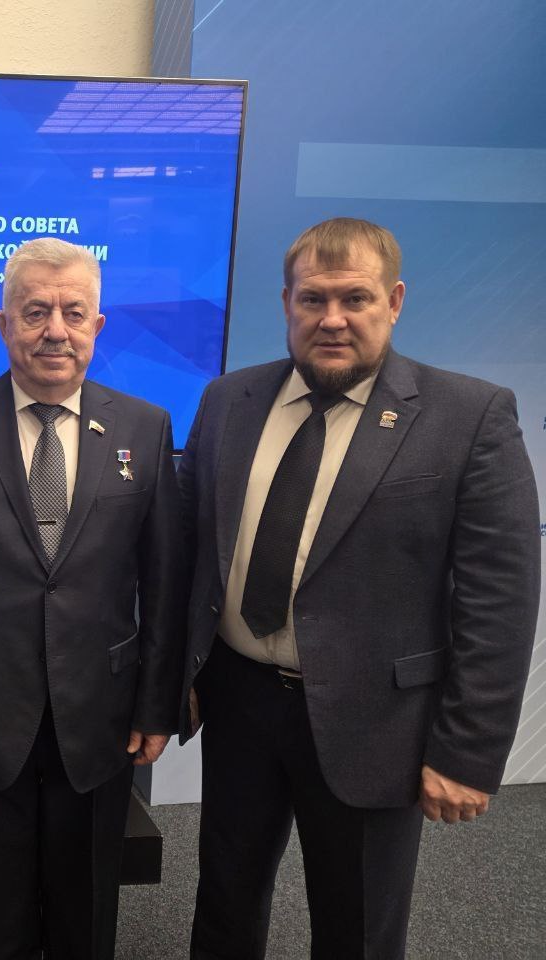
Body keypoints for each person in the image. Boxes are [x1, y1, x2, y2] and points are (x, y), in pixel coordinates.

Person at [179, 217, 540, 959]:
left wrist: (468, 751)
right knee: (224, 902)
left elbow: (499, 602)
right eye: (313, 299)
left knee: (358, 926)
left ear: (394, 301)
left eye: (356, 298)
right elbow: (190, 550)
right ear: (286, 303)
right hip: (239, 702)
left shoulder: (469, 417)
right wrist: (173, 675)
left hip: (376, 721)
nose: (333, 319)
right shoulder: (228, 401)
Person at [0, 238, 185, 959]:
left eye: (73, 313)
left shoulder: (145, 428)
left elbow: (164, 584)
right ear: (4, 324)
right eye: (36, 312)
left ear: (97, 326)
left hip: (102, 713)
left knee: (87, 906)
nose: (56, 330)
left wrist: (158, 706)